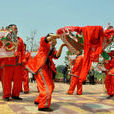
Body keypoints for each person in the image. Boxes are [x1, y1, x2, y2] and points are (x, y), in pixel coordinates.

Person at [26, 33, 66, 111]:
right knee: (47, 87)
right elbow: (47, 38)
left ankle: (39, 100)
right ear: (50, 38)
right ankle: (43, 106)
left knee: (51, 86)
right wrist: (59, 36)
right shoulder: (43, 42)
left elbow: (56, 56)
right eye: (53, 38)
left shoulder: (52, 49)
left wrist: (62, 46)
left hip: (47, 69)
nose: (55, 40)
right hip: (41, 67)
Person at [1, 24, 25, 101]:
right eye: (14, 29)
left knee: (18, 80)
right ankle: (6, 95)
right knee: (7, 80)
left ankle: (15, 95)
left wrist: (23, 60)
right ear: (9, 30)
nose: (16, 30)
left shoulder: (20, 40)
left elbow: (22, 51)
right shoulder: (4, 39)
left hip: (18, 62)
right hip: (8, 62)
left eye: (16, 29)